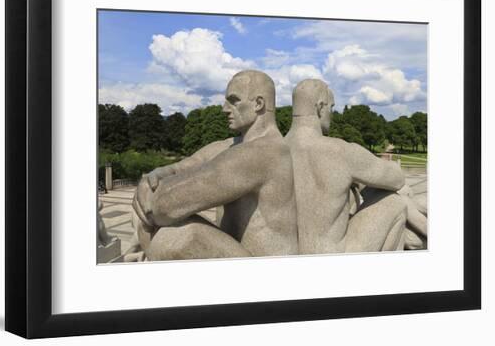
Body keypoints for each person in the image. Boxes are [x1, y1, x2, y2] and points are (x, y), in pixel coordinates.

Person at [132, 70, 298, 260]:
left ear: (258, 104)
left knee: (178, 235)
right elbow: (183, 167)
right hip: (241, 257)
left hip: (266, 273)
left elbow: (163, 206)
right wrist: (153, 177)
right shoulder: (235, 145)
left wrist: (149, 193)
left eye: (233, 101)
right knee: (149, 222)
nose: (224, 109)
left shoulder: (265, 152)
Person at [285, 79, 409, 254]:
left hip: (291, 253)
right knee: (395, 202)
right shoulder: (339, 151)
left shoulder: (276, 149)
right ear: (320, 107)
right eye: (331, 108)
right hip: (333, 252)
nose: (332, 114)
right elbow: (397, 179)